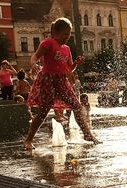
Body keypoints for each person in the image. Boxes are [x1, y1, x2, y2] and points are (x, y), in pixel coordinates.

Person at [23, 17, 100, 150]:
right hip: (48, 80)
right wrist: (34, 64)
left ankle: (87, 134)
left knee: (76, 105)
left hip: (61, 80)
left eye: (69, 33)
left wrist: (76, 63)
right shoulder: (48, 43)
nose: (67, 36)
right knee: (43, 112)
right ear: (56, 33)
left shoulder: (67, 49)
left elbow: (69, 69)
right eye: (65, 33)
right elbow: (35, 56)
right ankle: (28, 140)